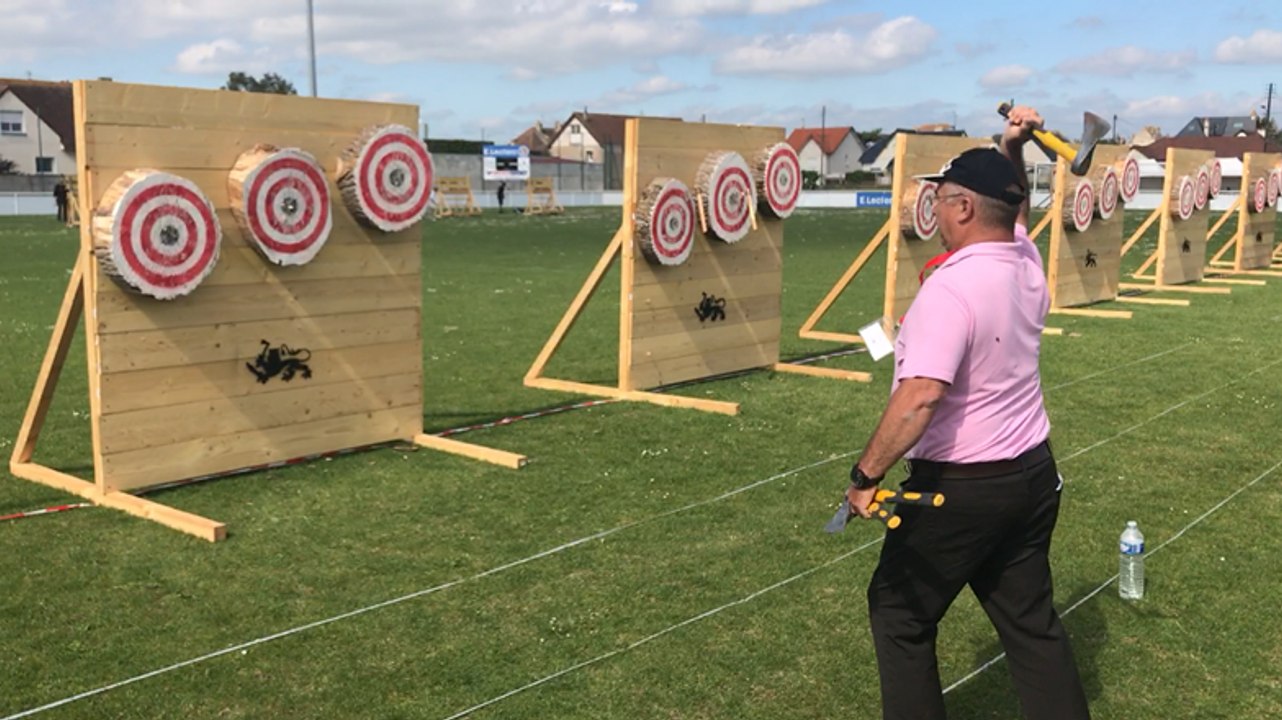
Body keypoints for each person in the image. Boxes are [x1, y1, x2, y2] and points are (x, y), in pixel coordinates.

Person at [843, 106, 1091, 720]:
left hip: (963, 490)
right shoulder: (1026, 265)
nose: (934, 210)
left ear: (960, 209)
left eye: (941, 198)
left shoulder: (949, 289)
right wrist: (1014, 146)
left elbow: (920, 396)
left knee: (899, 613)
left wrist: (865, 476)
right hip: (1032, 478)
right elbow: (1016, 209)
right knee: (1031, 625)